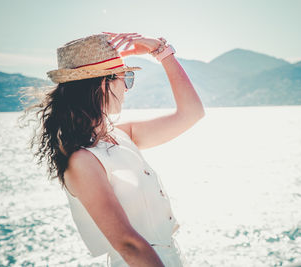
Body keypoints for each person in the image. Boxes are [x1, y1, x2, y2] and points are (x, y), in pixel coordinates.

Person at [23, 31, 205, 266]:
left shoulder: (121, 136)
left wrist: (161, 52)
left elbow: (192, 113)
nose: (127, 89)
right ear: (102, 83)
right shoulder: (83, 161)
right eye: (126, 78)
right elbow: (127, 244)